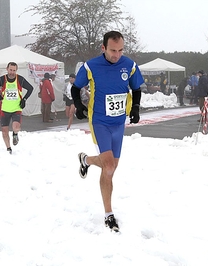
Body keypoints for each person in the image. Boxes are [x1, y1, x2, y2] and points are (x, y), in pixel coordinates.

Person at [71, 31, 144, 232]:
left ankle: (86, 160)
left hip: (119, 123)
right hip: (100, 122)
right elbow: (75, 88)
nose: (117, 55)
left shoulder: (129, 65)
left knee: (111, 166)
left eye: (120, 50)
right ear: (103, 48)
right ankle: (108, 214)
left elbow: (136, 88)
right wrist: (78, 105)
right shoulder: (91, 66)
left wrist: (135, 107)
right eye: (113, 50)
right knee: (109, 167)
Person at [0, 62, 34, 154]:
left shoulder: (20, 79)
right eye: (11, 70)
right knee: (4, 132)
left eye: (14, 70)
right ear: (7, 69)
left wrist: (24, 99)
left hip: (17, 108)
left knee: (16, 127)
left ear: (16, 70)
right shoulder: (2, 79)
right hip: (5, 109)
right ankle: (8, 148)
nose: (12, 72)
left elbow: (30, 88)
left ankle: (15, 134)